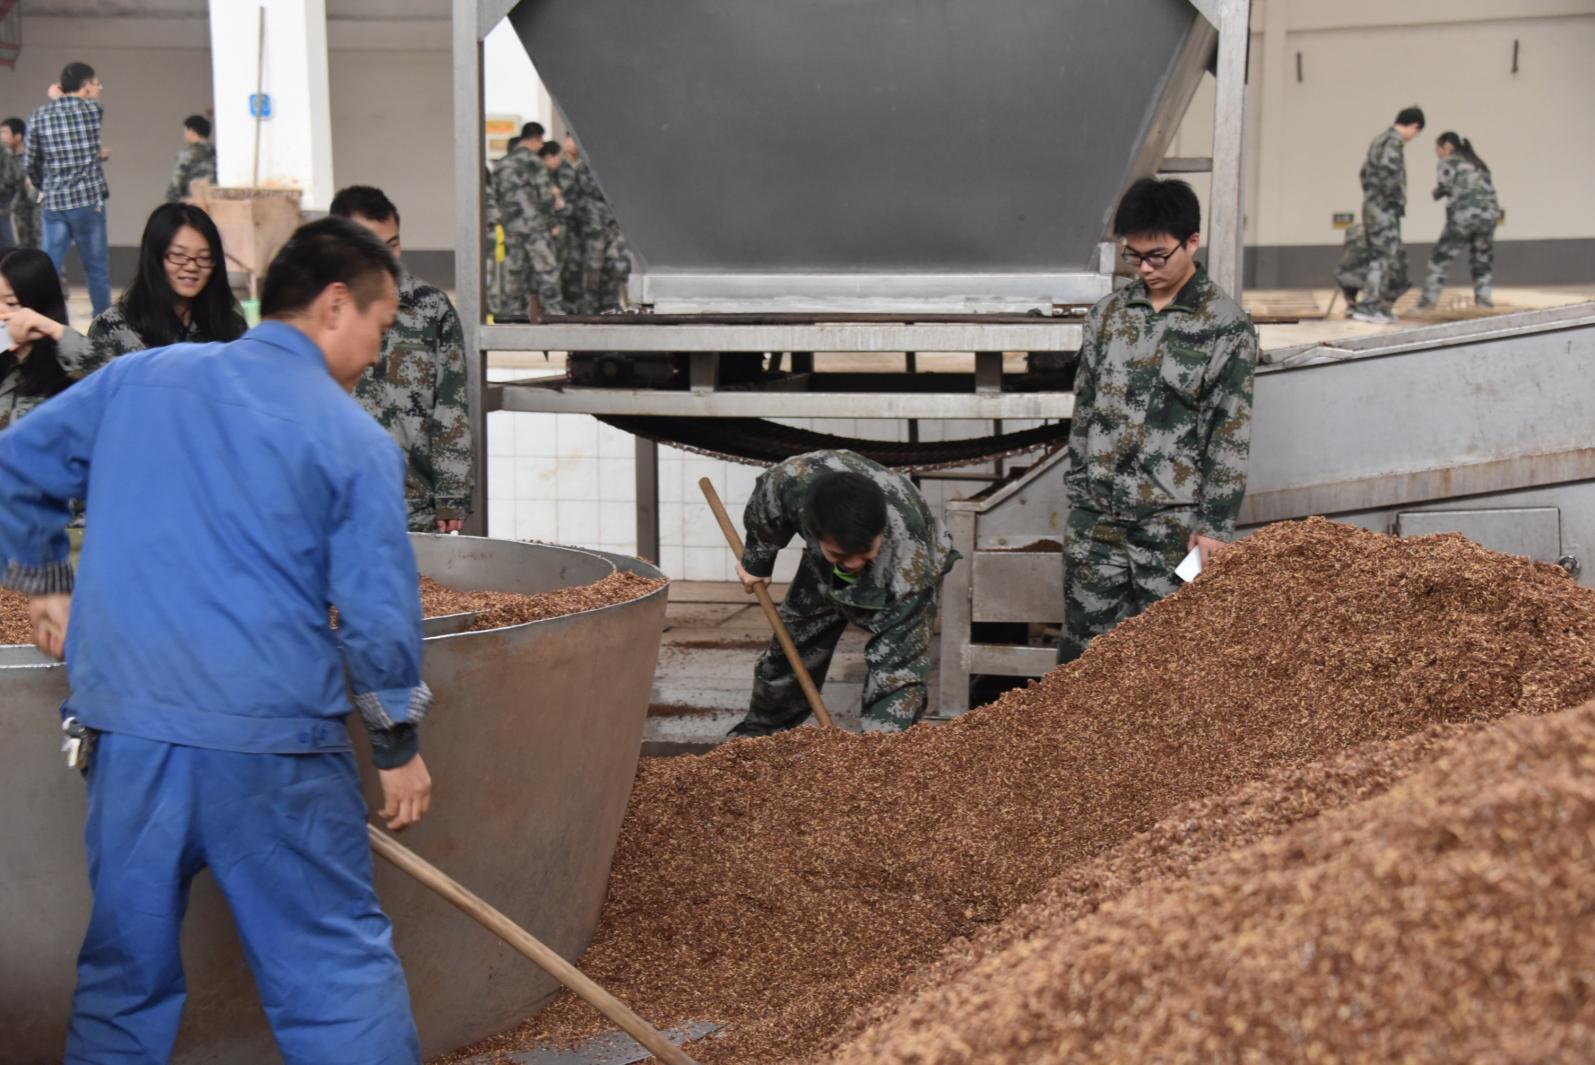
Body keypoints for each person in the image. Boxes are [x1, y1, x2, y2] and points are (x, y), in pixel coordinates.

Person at [0, 216, 431, 1063]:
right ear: (335, 305)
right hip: (273, 749)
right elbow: (379, 612)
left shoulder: (139, 381)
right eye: (381, 329)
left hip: (127, 735)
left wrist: (44, 589)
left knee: (125, 975)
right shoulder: (352, 440)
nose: (379, 354)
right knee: (333, 973)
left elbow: (16, 466)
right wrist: (397, 742)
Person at [1058, 177, 1258, 665]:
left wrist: (1214, 528)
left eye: (1158, 257)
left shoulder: (1225, 325)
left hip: (1173, 529)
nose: (1145, 269)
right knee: (1084, 661)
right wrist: (1081, 498)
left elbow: (1229, 432)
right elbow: (1085, 410)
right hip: (1099, 524)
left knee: (1171, 665)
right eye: (1134, 256)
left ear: (1192, 242)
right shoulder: (1106, 317)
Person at [731, 450, 957, 736]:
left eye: (863, 552)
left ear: (879, 532)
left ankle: (883, 751)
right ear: (814, 532)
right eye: (840, 553)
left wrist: (877, 756)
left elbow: (897, 671)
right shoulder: (790, 480)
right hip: (823, 559)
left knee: (896, 670)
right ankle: (762, 732)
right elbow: (765, 513)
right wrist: (757, 563)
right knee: (795, 640)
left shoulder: (910, 563)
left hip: (895, 564)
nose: (852, 563)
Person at [330, 184, 474, 533]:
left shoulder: (430, 308)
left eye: (392, 245)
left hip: (414, 506)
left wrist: (452, 493)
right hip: (337, 504)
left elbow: (451, 405)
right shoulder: (321, 310)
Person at [86, 202, 247, 365]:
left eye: (204, 257)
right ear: (154, 258)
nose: (192, 266)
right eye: (178, 255)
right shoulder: (112, 327)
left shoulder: (229, 317)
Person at [26, 61, 113, 318]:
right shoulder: (93, 110)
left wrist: (45, 186)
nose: (98, 90)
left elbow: (31, 162)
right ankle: (103, 326)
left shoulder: (38, 116)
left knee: (48, 266)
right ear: (86, 87)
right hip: (88, 201)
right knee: (96, 268)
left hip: (54, 202)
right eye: (97, 84)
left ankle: (44, 318)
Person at [0, 247, 102, 429]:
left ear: (39, 304)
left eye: (10, 303)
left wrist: (53, 329)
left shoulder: (68, 364)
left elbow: (114, 381)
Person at [1350, 105, 1424, 325]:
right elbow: (1389, 175)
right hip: (1384, 209)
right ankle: (1369, 306)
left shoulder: (1379, 140)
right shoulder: (1393, 143)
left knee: (1384, 256)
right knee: (1382, 257)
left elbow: (1364, 173)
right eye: (1416, 132)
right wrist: (1393, 201)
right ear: (1414, 126)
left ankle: (1378, 306)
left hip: (1374, 205)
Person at [489, 122, 565, 319]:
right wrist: (552, 223)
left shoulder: (502, 164)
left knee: (514, 271)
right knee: (547, 269)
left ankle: (514, 312)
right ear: (536, 139)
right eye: (540, 142)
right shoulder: (536, 163)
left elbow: (495, 195)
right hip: (535, 227)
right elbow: (545, 197)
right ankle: (554, 310)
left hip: (511, 228)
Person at [1417, 132, 1500, 310]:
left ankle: (1426, 304)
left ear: (1447, 146)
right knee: (1482, 261)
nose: (1437, 152)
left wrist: (1435, 193)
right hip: (1489, 217)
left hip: (1464, 217)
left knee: (1440, 259)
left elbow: (1444, 185)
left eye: (1438, 148)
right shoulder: (1478, 163)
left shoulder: (1449, 161)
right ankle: (1484, 302)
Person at [564, 132, 632, 313]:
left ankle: (602, 308)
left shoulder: (590, 168)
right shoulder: (586, 169)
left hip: (604, 233)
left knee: (608, 275)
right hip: (593, 235)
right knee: (594, 276)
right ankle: (593, 310)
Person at [1, 118, 42, 249]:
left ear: (18, 136)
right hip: (16, 214)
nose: (1, 137)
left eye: (4, 132)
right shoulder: (6, 159)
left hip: (36, 214)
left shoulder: (33, 160)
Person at [165, 113, 217, 203]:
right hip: (214, 202)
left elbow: (176, 183)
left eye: (185, 131)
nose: (185, 135)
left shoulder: (189, 153)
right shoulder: (216, 153)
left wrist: (171, 201)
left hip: (193, 205)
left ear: (192, 131)